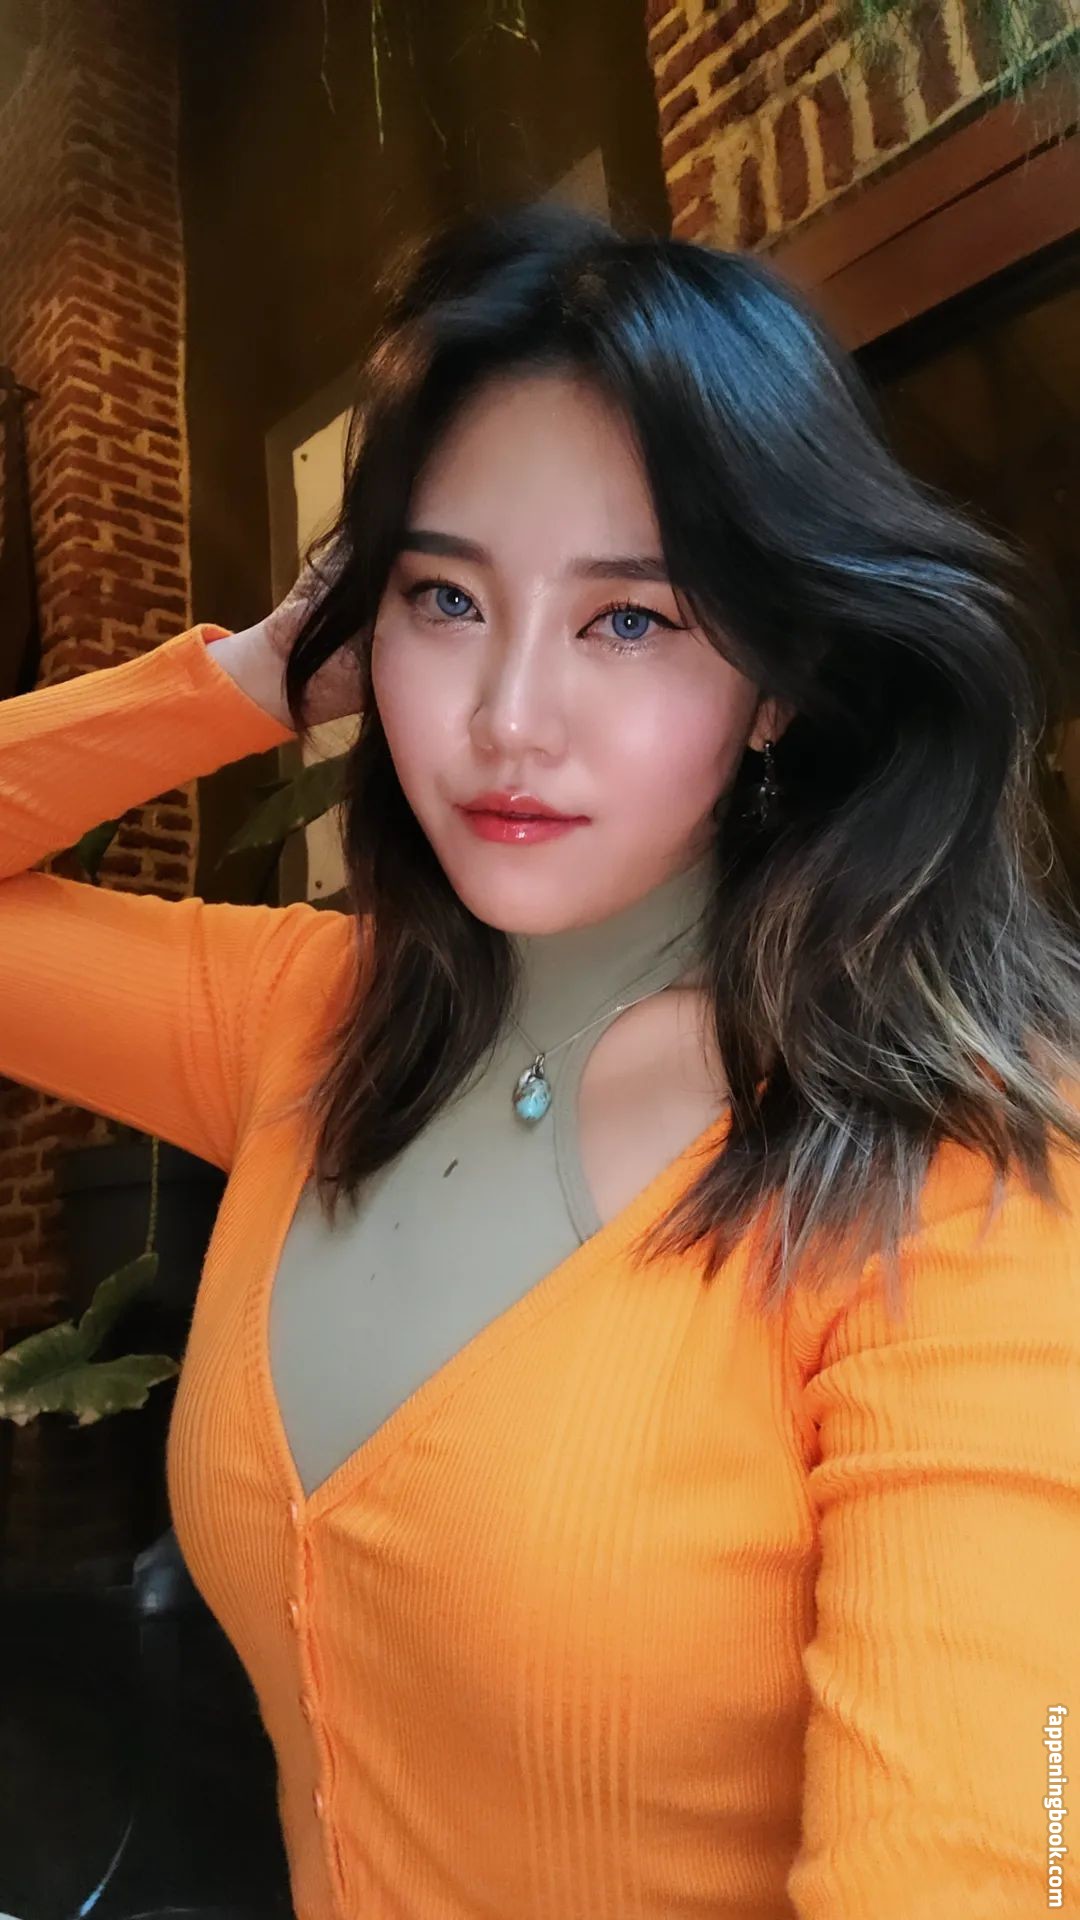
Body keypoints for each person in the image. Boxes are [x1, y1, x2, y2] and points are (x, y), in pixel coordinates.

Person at [2, 199, 1079, 1919]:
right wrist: (242, 680)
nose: (507, 717)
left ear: (780, 679)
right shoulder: (309, 1019)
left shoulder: (963, 1161)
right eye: (444, 597)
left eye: (630, 619)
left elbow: (997, 1847)